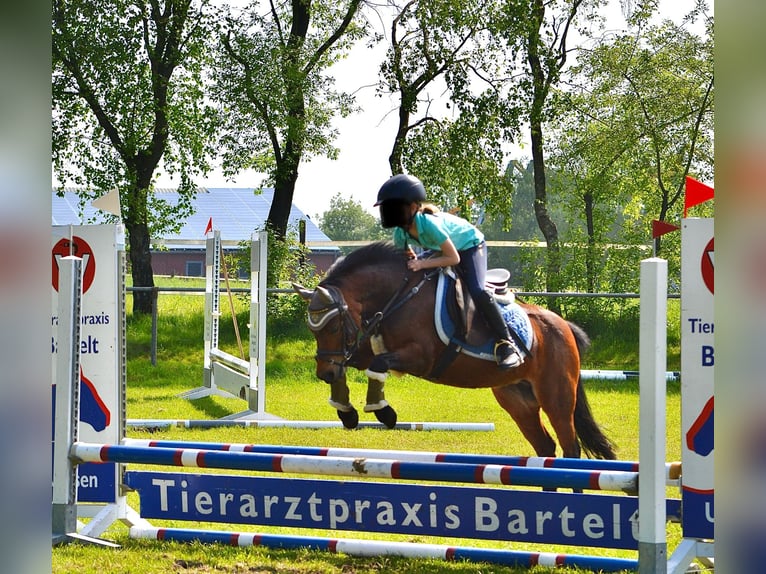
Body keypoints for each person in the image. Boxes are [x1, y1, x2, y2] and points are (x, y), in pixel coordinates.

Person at [374, 173, 524, 369]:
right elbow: (407, 257)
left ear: (412, 207)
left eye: (393, 207)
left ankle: (507, 343)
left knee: (477, 290)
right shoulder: (400, 232)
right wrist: (414, 261)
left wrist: (421, 264)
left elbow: (454, 258)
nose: (388, 212)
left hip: (470, 246)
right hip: (440, 250)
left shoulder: (429, 225)